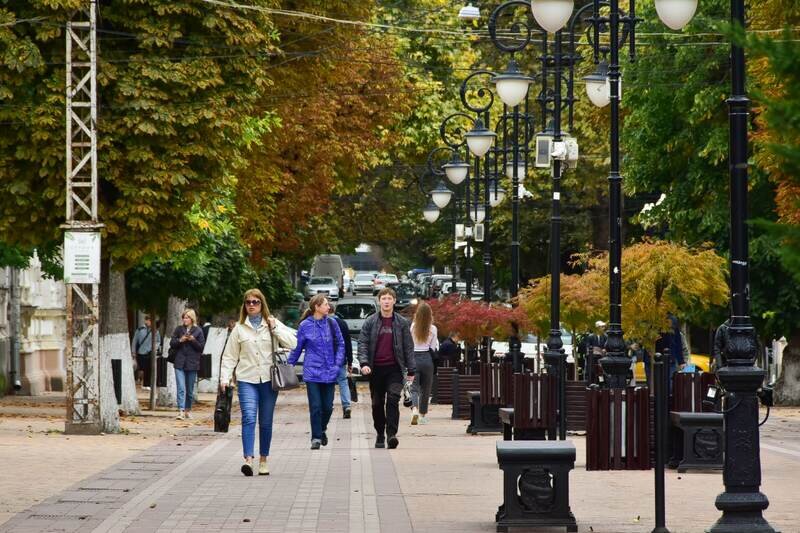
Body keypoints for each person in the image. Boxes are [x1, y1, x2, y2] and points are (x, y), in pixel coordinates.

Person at [220, 289, 297, 476]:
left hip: (269, 380)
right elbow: (229, 356)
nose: (252, 305)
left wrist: (275, 328)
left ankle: (263, 459)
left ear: (262, 304)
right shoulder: (239, 328)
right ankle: (248, 459)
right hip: (247, 379)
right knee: (248, 417)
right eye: (248, 302)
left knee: (265, 422)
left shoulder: (272, 323)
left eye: (256, 302)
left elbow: (293, 343)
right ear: (244, 306)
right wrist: (225, 377)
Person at [357, 287, 416, 449]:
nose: (387, 301)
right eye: (384, 298)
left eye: (390, 298)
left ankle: (391, 434)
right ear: (379, 301)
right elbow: (362, 343)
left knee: (393, 400)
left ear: (394, 301)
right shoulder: (370, 321)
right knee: (377, 404)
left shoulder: (402, 323)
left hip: (394, 369)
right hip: (375, 370)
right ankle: (380, 434)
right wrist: (364, 363)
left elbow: (408, 347)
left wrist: (411, 370)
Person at [288, 294, 345, 450]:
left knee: (328, 407)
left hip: (330, 371)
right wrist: (289, 365)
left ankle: (322, 429)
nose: (329, 307)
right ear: (317, 307)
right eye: (326, 304)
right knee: (316, 406)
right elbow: (297, 347)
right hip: (312, 372)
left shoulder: (332, 323)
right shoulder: (305, 325)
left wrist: (337, 364)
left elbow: (341, 344)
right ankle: (316, 437)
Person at [169, 309, 205, 420]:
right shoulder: (179, 329)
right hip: (179, 362)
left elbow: (201, 347)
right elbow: (172, 343)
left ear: (192, 319)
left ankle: (188, 410)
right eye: (184, 317)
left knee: (189, 390)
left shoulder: (198, 330)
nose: (185, 319)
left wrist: (193, 340)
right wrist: (181, 340)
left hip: (192, 363)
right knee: (181, 388)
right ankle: (181, 411)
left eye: (187, 317)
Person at [410, 301, 438, 425]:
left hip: (414, 357)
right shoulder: (433, 329)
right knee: (426, 389)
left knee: (414, 387)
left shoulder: (413, 326)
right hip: (427, 358)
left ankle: (414, 409)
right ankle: (422, 415)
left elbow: (409, 344)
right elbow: (433, 347)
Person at [329, 304, 354, 418]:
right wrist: (350, 360)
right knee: (343, 382)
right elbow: (348, 343)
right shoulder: (342, 323)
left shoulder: (323, 323)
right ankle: (346, 405)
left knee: (329, 383)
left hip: (327, 359)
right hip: (341, 358)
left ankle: (329, 404)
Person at [131, 315, 161, 390]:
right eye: (147, 320)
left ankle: (147, 384)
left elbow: (158, 341)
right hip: (141, 352)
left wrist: (154, 349)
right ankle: (141, 382)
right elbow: (135, 341)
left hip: (150, 353)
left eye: (150, 320)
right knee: (141, 369)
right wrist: (133, 352)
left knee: (149, 368)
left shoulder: (155, 330)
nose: (148, 322)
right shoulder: (140, 330)